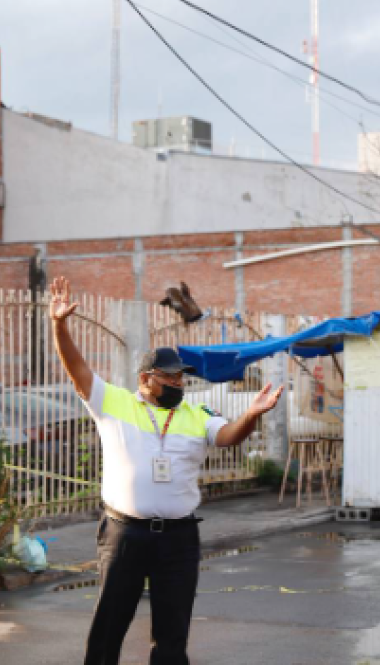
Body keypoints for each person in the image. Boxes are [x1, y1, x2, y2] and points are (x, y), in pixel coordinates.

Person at [49, 276, 284, 665]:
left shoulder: (196, 413)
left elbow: (228, 437)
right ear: (146, 379)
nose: (178, 382)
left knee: (173, 634)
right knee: (109, 626)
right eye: (170, 377)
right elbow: (77, 368)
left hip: (178, 538)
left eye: (180, 376)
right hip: (125, 534)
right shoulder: (113, 403)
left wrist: (252, 415)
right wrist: (59, 325)